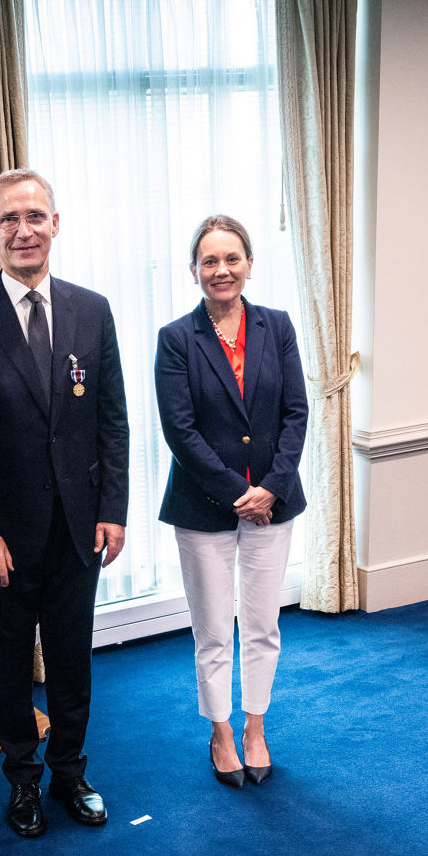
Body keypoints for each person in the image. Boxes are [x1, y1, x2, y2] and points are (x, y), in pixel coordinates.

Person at [0, 169, 129, 838]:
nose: (24, 229)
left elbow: (112, 420)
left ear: (55, 224)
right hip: (2, 542)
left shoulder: (91, 309)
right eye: (9, 219)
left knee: (73, 661)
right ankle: (22, 780)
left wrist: (113, 507)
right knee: (12, 670)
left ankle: (71, 772)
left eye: (35, 216)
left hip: (78, 531)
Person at [154, 215, 308, 788]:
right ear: (194, 270)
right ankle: (220, 731)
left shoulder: (278, 326)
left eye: (232, 259)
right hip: (204, 507)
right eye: (210, 261)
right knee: (214, 629)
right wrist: (237, 492)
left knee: (263, 625)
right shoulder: (176, 338)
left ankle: (255, 726)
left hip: (274, 500)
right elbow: (180, 430)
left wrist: (271, 485)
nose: (222, 270)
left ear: (249, 264)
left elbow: (297, 411)